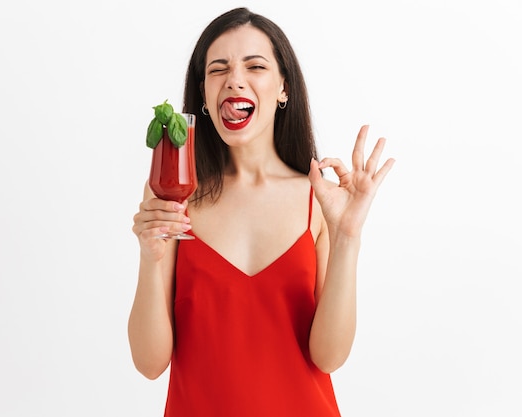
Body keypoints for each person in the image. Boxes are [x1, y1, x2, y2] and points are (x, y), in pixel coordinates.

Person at [129, 7, 394, 417]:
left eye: (255, 65)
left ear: (283, 87)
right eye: (218, 69)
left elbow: (328, 357)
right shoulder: (172, 196)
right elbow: (149, 363)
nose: (234, 78)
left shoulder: (318, 198)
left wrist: (347, 238)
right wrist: (151, 256)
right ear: (203, 93)